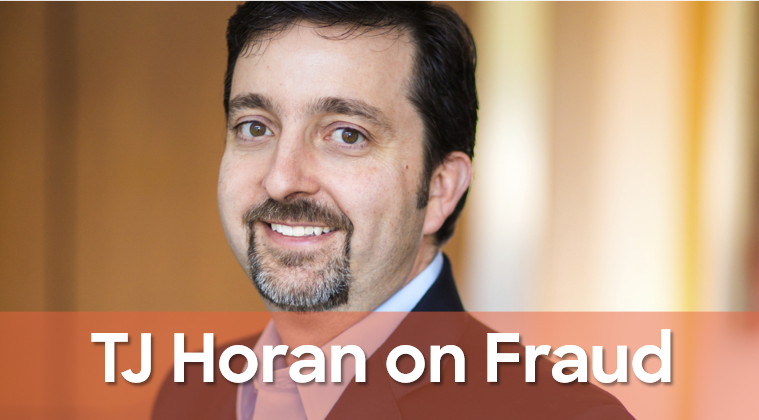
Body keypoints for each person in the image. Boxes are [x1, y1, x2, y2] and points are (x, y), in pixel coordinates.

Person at [153, 2, 634, 419]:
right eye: (255, 127)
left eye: (348, 134)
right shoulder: (192, 394)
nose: (282, 179)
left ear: (440, 189)